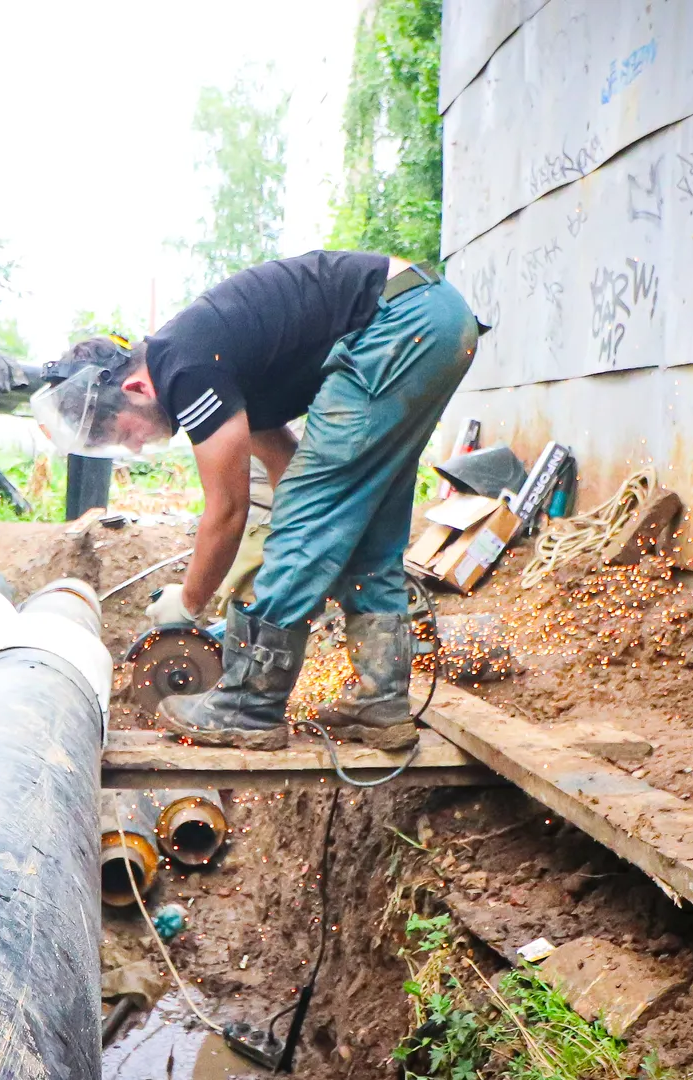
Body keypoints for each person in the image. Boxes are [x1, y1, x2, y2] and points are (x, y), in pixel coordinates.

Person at [32, 250, 478, 751]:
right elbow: (293, 477)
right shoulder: (219, 360)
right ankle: (382, 702)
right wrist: (272, 597)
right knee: (365, 522)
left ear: (135, 387)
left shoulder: (186, 368)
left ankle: (249, 704)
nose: (134, 445)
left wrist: (192, 602)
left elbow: (228, 510)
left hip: (401, 321)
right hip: (433, 318)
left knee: (313, 515)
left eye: (123, 430)